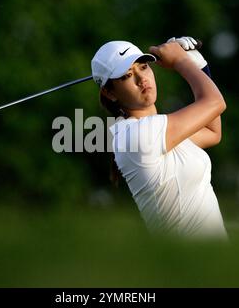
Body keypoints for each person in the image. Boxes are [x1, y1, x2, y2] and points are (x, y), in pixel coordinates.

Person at [91, 37, 228, 240]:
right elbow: (215, 102)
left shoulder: (159, 131)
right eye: (127, 75)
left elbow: (212, 132)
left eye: (144, 67)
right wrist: (181, 61)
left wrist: (199, 66)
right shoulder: (135, 136)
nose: (141, 79)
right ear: (110, 93)